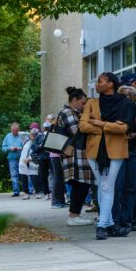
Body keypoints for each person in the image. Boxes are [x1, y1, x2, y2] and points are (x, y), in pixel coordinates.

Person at [80, 72, 130, 240]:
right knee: (103, 186)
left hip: (116, 150)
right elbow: (83, 126)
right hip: (94, 150)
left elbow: (124, 129)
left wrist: (99, 123)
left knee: (107, 186)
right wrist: (109, 127)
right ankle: (109, 225)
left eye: (100, 81)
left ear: (111, 84)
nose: (97, 85)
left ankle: (101, 226)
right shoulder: (91, 103)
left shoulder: (124, 102)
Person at [114, 85, 136, 234]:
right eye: (124, 96)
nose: (127, 99)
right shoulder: (115, 111)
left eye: (130, 96)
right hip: (118, 152)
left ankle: (127, 220)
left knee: (132, 188)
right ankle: (114, 220)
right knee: (117, 187)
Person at [55, 88, 93, 226]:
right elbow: (77, 131)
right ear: (74, 100)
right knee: (80, 184)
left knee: (80, 185)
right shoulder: (67, 112)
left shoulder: (71, 112)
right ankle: (73, 215)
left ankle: (75, 214)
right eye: (82, 103)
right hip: (75, 155)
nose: (84, 106)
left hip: (76, 155)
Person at [0, 122, 22, 197]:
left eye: (16, 130)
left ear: (18, 130)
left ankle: (29, 190)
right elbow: (3, 148)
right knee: (14, 175)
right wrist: (10, 148)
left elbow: (27, 145)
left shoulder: (22, 136)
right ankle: (16, 191)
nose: (15, 132)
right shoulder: (8, 136)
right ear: (11, 129)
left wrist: (20, 148)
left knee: (25, 174)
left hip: (22, 157)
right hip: (12, 158)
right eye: (13, 130)